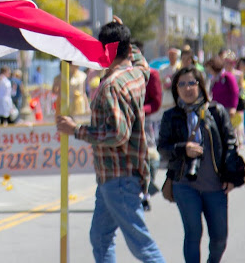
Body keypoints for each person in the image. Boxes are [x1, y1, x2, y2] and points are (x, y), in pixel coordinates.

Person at [56, 18, 165, 263]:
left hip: (118, 175)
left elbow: (118, 133)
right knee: (101, 238)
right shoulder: (136, 73)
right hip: (118, 174)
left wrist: (76, 130)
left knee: (141, 245)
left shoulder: (112, 86)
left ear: (108, 50)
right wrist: (123, 31)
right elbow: (140, 61)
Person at [158, 66, 242, 263]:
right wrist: (182, 148)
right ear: (176, 88)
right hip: (184, 185)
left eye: (191, 83)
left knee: (220, 238)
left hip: (215, 185)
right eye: (182, 84)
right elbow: (163, 147)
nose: (187, 88)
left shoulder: (216, 111)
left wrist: (230, 176)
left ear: (201, 86)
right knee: (193, 234)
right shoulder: (171, 116)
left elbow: (230, 143)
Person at [141, 63, 163, 211]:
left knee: (151, 158)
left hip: (145, 121)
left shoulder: (151, 74)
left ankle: (146, 193)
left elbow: (156, 102)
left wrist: (140, 110)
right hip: (123, 121)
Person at [160, 48, 181, 112]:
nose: (171, 57)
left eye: (173, 55)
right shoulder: (163, 69)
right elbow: (160, 82)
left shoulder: (179, 68)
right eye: (170, 55)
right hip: (166, 97)